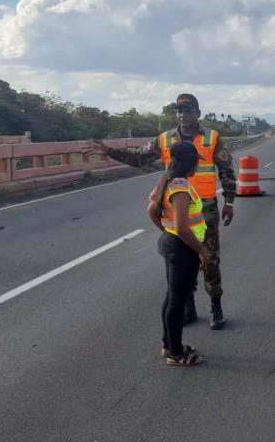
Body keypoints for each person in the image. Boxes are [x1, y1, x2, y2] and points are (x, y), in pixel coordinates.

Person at [82, 93, 235, 330]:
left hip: (205, 210)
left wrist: (229, 202)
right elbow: (138, 159)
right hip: (174, 210)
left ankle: (216, 305)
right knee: (182, 261)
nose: (182, 115)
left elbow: (226, 170)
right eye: (179, 111)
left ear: (198, 113)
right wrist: (109, 151)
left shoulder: (212, 138)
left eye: (188, 111)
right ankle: (188, 306)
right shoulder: (164, 139)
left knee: (209, 259)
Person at [148, 141, 207, 366]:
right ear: (189, 163)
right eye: (196, 162)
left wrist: (167, 231)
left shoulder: (166, 181)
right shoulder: (180, 188)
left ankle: (169, 345)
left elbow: (151, 211)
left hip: (172, 244)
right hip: (183, 248)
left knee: (172, 297)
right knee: (177, 301)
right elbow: (183, 228)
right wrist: (201, 251)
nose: (197, 166)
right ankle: (176, 353)